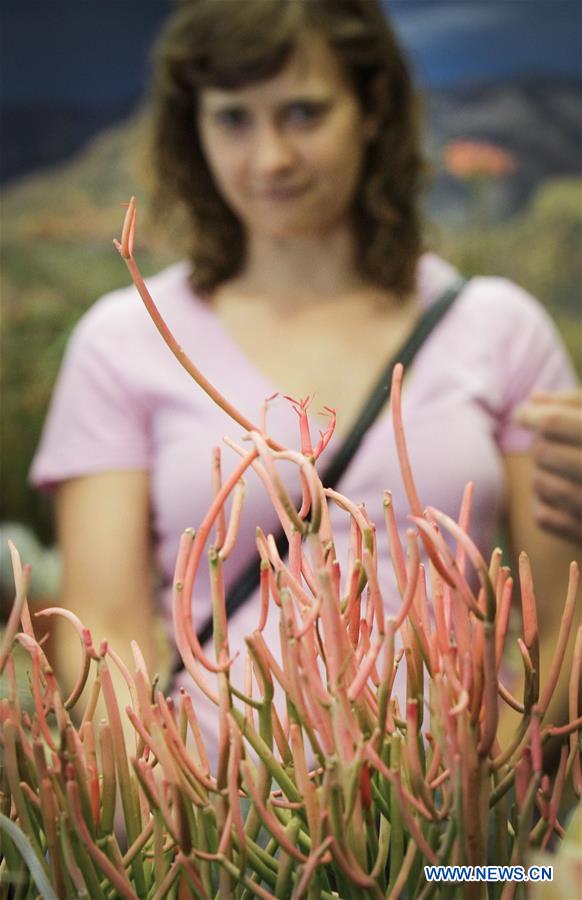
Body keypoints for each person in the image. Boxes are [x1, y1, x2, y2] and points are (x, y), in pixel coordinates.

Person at [30, 0, 579, 764]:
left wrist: (485, 821)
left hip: (460, 848)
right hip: (212, 846)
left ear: (372, 108)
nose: (271, 158)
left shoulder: (497, 329)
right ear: (193, 128)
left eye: (303, 111)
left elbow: (562, 624)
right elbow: (103, 630)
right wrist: (166, 842)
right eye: (233, 119)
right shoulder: (122, 339)